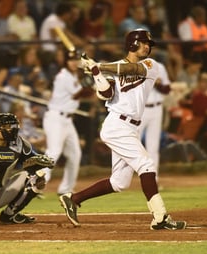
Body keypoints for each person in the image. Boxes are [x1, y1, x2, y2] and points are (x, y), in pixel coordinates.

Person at [59, 29, 186, 230]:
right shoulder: (113, 68)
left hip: (130, 127)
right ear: (133, 44)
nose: (148, 47)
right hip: (116, 125)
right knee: (146, 165)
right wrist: (96, 74)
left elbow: (131, 70)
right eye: (144, 43)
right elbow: (107, 93)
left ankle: (73, 199)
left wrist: (98, 66)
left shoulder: (150, 66)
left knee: (119, 182)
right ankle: (160, 217)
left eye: (149, 44)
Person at [42, 50, 94, 195]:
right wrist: (90, 80)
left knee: (75, 154)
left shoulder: (73, 76)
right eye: (70, 60)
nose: (73, 62)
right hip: (56, 118)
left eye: (75, 60)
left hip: (67, 120)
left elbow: (85, 91)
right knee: (54, 152)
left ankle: (66, 189)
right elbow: (79, 94)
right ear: (66, 62)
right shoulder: (62, 76)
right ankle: (36, 184)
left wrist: (89, 80)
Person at [140, 62, 171, 179]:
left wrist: (158, 84)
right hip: (140, 109)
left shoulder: (159, 66)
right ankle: (124, 177)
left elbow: (167, 89)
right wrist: (150, 81)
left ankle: (153, 178)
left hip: (157, 108)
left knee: (153, 146)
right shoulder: (135, 66)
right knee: (134, 143)